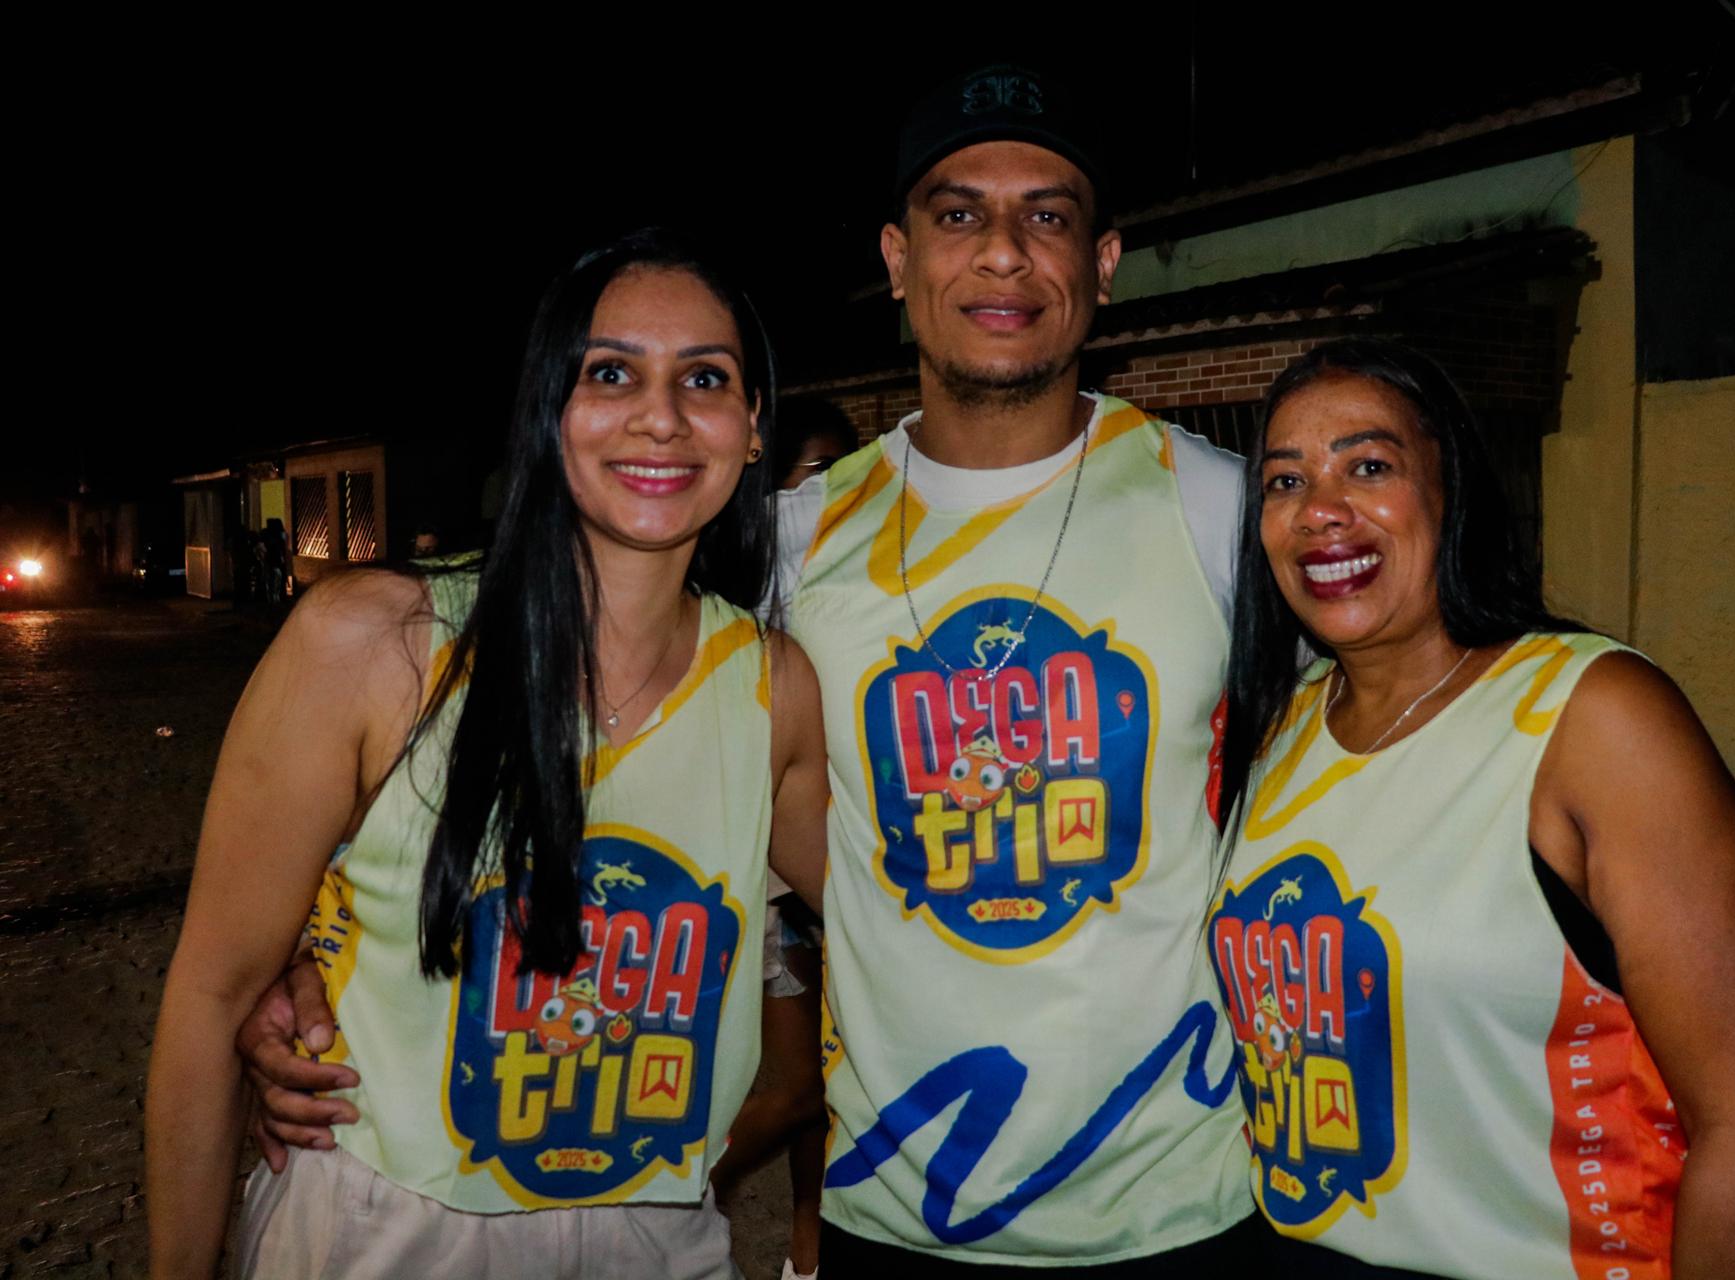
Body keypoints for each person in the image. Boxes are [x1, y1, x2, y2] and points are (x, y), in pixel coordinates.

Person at [241, 64, 1262, 1272]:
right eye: (957, 213)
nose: (1003, 251)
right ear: (896, 258)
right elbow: (607, 752)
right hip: (896, 1204)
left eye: (1048, 215)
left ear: (1104, 262)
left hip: (1183, 1201)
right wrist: (307, 951)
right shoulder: (784, 548)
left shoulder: (1226, 511)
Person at [146, 228, 829, 1280]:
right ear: (549, 412)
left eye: (705, 378)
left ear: (751, 434)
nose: (661, 415)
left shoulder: (774, 690)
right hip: (381, 1233)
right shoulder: (379, 645)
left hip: (659, 1237)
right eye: (611, 373)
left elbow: (903, 920)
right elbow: (210, 995)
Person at [1209, 338, 1735, 1278]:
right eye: (1285, 482)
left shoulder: (1593, 718)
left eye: (1369, 466)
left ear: (1452, 490)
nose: (1320, 509)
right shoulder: (1278, 730)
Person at [708, 396, 858, 1280]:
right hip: (780, 862)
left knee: (830, 1085)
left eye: (843, 475)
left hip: (844, 841)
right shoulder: (754, 586)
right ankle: (674, 1189)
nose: (827, 496)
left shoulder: (860, 573)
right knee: (801, 1085)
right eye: (813, 477)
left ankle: (809, 1245)